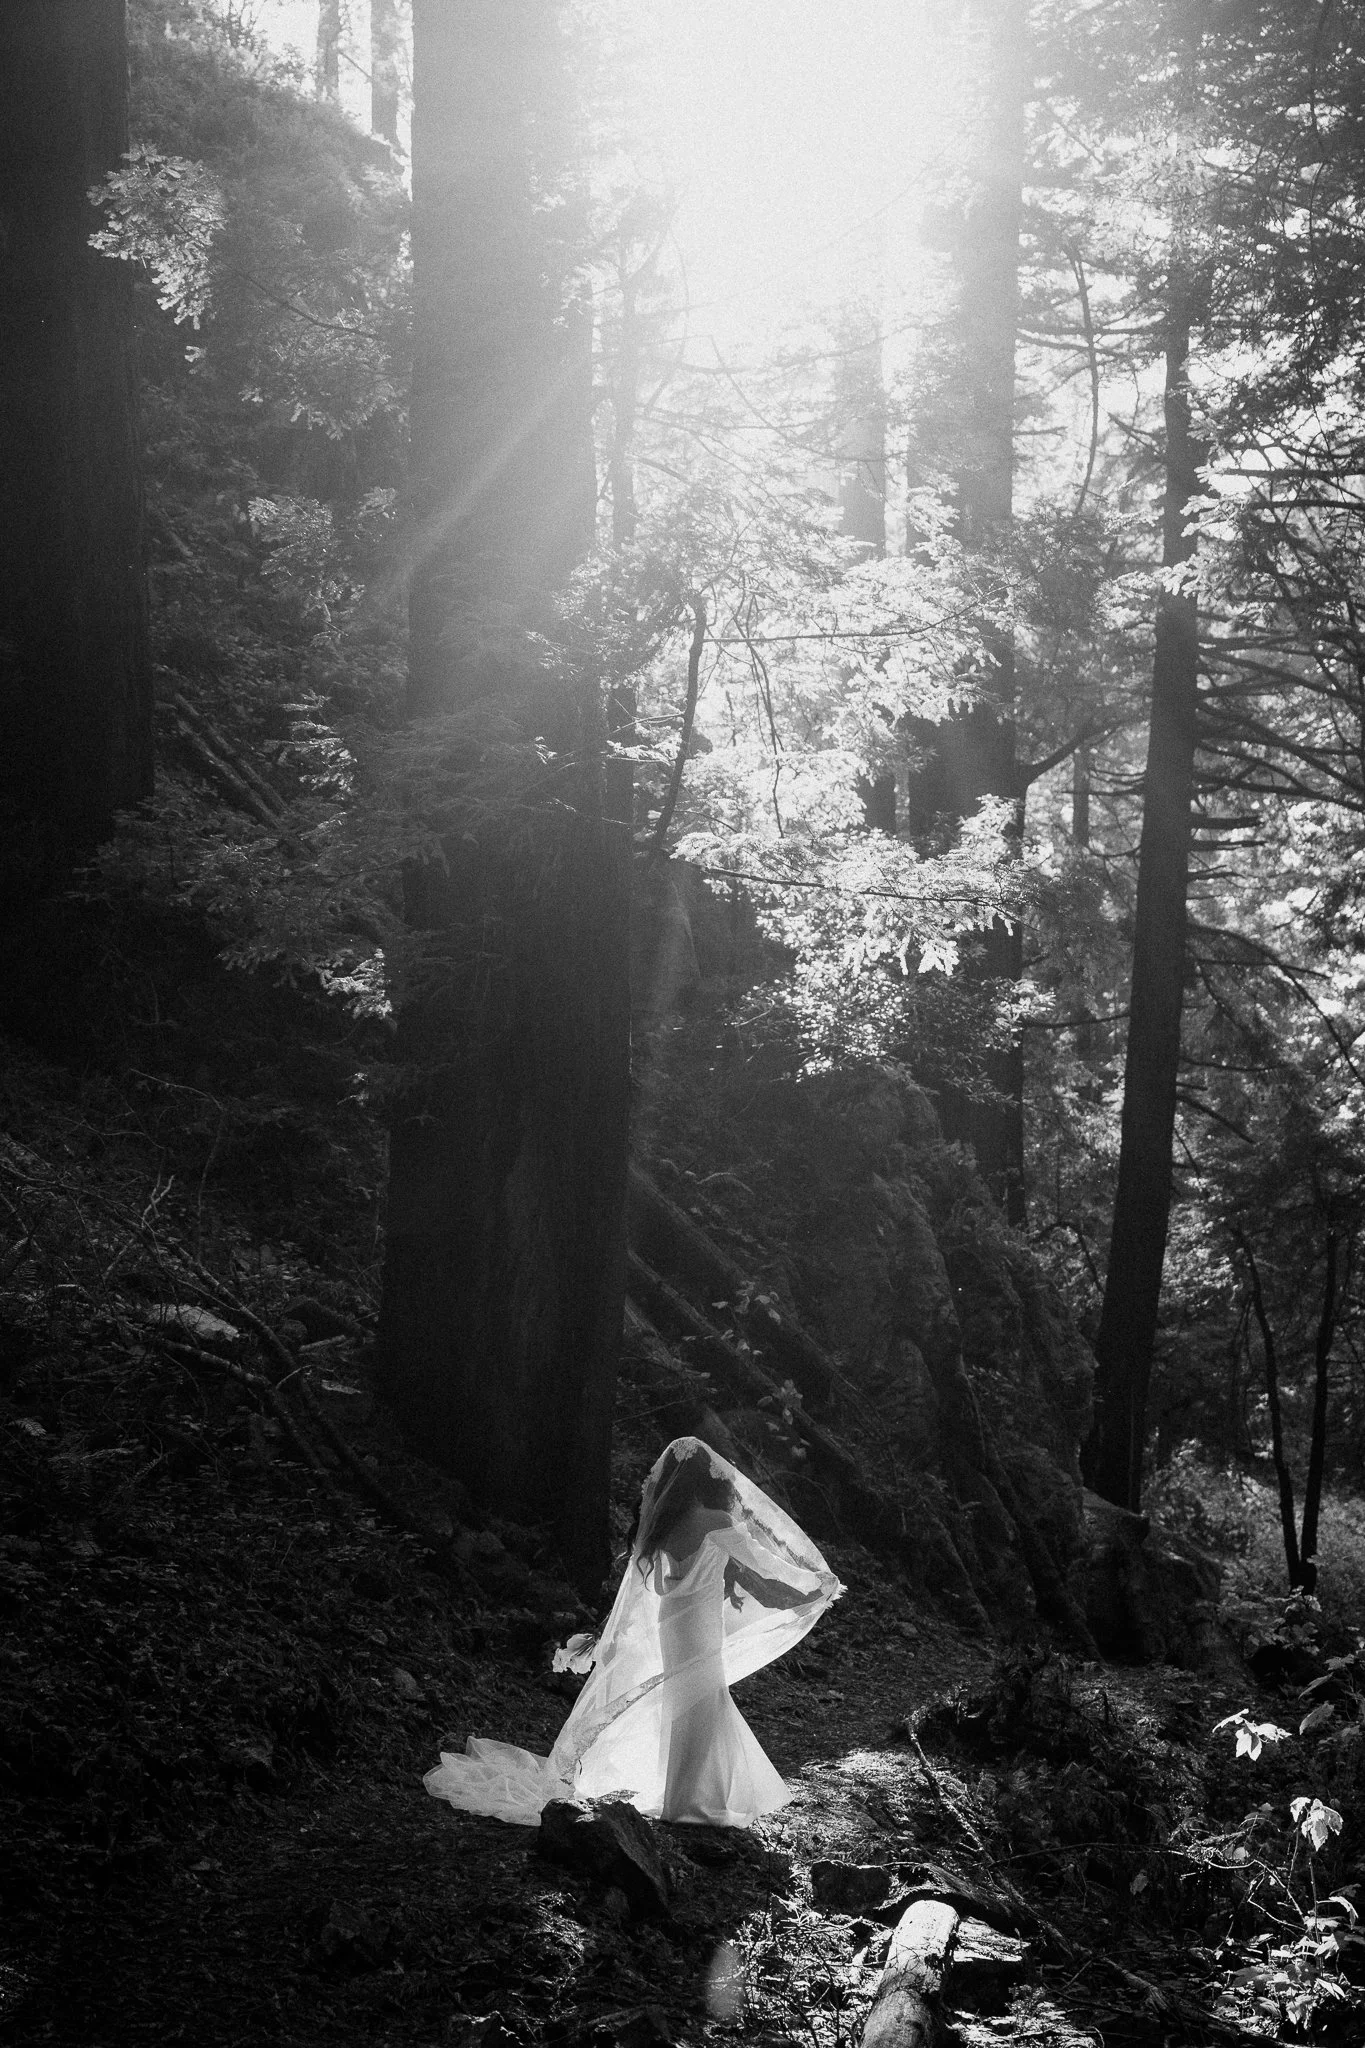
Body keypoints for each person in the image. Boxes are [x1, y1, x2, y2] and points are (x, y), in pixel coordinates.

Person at [424, 1437, 844, 1827]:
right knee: (701, 1704)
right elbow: (763, 1563)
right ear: (707, 1480)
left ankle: (690, 1797)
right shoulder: (715, 1519)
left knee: (692, 1705)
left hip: (672, 1626)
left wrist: (608, 1638)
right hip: (699, 1627)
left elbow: (641, 1592)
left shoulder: (663, 1527)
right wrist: (813, 1582)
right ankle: (686, 1803)